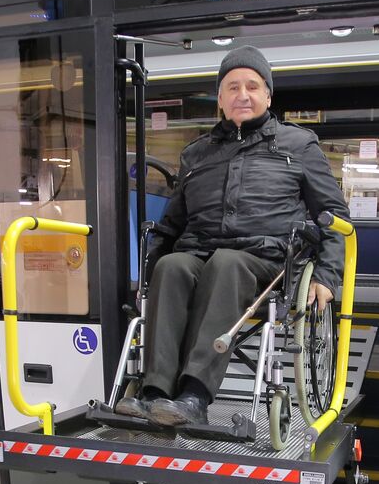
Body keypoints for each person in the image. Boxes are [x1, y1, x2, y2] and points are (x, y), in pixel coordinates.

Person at [114, 46, 346, 427]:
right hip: (199, 252)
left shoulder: (298, 145)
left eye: (253, 86)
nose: (243, 94)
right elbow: (171, 225)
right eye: (232, 87)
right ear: (220, 98)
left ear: (268, 96)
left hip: (265, 259)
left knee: (227, 263)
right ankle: (154, 394)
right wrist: (146, 281)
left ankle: (194, 396)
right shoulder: (197, 154)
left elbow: (333, 217)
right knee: (171, 266)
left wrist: (327, 274)